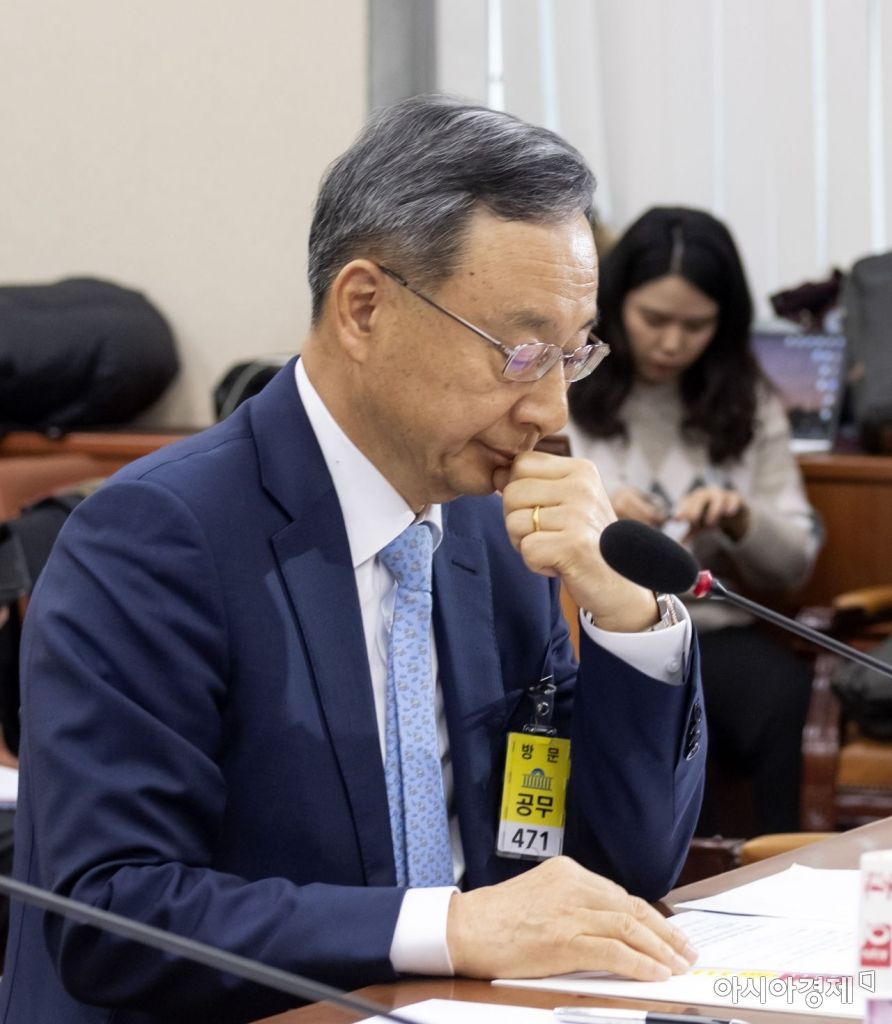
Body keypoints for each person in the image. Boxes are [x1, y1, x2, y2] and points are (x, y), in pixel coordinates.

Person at [0, 99, 705, 1024]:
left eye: (572, 357)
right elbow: (115, 914)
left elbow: (617, 870)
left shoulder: (495, 535)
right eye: (521, 352)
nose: (551, 411)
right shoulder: (157, 537)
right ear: (364, 308)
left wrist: (627, 616)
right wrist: (448, 928)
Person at [566, 206, 822, 838]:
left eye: (696, 325)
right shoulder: (566, 384)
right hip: (596, 630)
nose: (672, 343)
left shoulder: (748, 402)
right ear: (615, 303)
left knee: (779, 691)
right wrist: (600, 512)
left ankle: (778, 864)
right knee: (647, 704)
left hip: (710, 629)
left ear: (725, 321)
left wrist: (742, 520)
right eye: (654, 319)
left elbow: (795, 562)